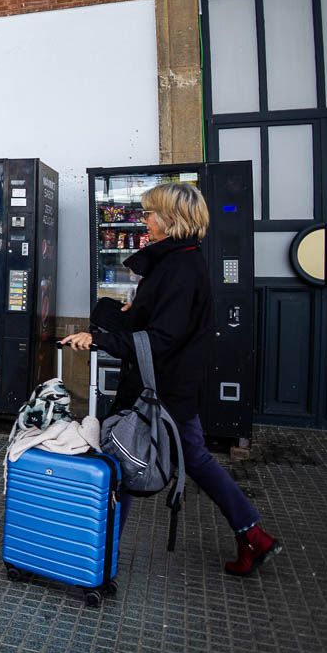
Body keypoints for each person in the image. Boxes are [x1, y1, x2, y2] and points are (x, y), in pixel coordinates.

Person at [61, 181, 282, 577]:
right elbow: (161, 322)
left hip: (158, 387)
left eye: (149, 213)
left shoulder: (181, 267)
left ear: (171, 219)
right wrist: (128, 312)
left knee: (122, 460)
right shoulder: (175, 262)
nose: (144, 220)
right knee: (190, 456)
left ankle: (100, 558)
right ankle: (252, 534)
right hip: (166, 384)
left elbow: (163, 337)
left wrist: (101, 337)